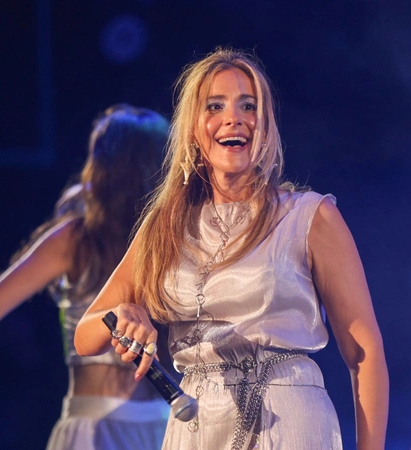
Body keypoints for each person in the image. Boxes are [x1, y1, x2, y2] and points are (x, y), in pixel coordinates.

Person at [74, 48, 389, 450]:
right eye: (215, 106)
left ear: (265, 126)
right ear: (193, 128)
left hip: (289, 422)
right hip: (196, 425)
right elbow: (86, 335)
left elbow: (364, 353)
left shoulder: (310, 217)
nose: (233, 118)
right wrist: (121, 314)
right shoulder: (166, 226)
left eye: (248, 105)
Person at [0, 104, 171, 450]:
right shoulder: (169, 243)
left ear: (101, 166)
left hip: (93, 429)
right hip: (163, 426)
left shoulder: (75, 240)